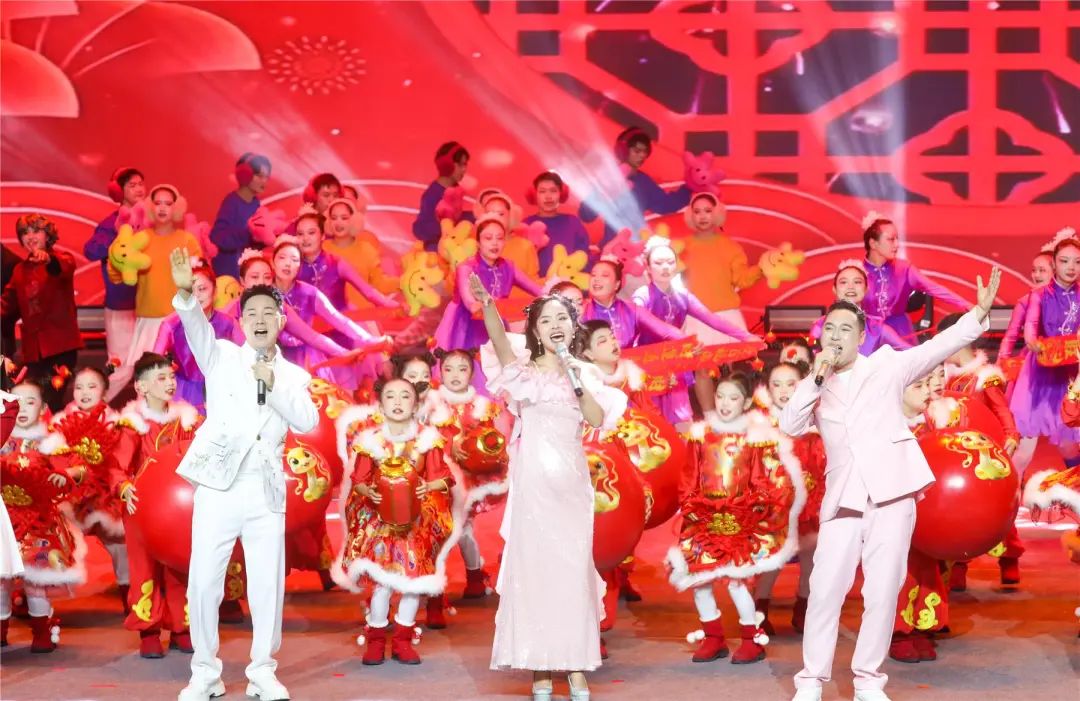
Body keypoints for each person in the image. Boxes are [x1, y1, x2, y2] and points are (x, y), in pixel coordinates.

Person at [782, 266, 1000, 701]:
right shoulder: (816, 383)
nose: (836, 336)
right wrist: (815, 377)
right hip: (844, 497)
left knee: (882, 592)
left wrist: (977, 314)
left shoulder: (886, 366)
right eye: (830, 329)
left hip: (892, 494)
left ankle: (868, 680)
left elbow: (938, 347)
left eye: (846, 329)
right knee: (825, 590)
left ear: (861, 337)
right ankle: (811, 680)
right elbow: (790, 424)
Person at [168, 249, 320, 701]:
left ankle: (263, 671)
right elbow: (196, 328)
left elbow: (307, 421)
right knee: (204, 582)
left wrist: (272, 385)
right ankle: (204, 672)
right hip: (219, 485)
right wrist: (185, 293)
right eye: (251, 313)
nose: (259, 320)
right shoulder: (222, 356)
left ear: (281, 321)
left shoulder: (292, 375)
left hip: (264, 489)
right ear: (240, 320)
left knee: (267, 585)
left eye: (268, 313)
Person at [477, 275, 627, 701]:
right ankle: (539, 667)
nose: (555, 325)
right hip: (533, 488)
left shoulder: (584, 372)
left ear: (572, 326)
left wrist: (576, 379)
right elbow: (499, 342)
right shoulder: (522, 373)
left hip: (571, 488)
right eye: (546, 320)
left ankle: (576, 666)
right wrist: (487, 305)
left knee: (572, 572)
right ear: (535, 330)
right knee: (535, 572)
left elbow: (595, 420)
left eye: (562, 318)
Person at [668, 371, 803, 664]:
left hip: (740, 521)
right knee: (699, 579)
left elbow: (765, 480)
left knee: (736, 581)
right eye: (720, 396)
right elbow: (689, 477)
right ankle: (713, 637)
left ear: (746, 403)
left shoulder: (756, 439)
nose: (725, 403)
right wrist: (693, 508)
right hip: (703, 520)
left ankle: (751, 639)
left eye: (733, 398)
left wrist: (751, 512)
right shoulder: (700, 436)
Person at [334, 376, 457, 666]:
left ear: (415, 406)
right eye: (391, 396)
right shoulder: (371, 442)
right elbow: (358, 480)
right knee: (383, 583)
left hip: (416, 523)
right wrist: (369, 491)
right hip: (381, 524)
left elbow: (444, 478)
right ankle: (376, 640)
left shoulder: (427, 440)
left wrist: (429, 486)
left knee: (413, 583)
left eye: (405, 396)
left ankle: (402, 640)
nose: (398, 402)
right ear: (380, 405)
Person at [112, 353, 202, 658]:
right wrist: (124, 487)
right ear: (141, 386)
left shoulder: (187, 421)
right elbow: (117, 466)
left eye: (171, 377)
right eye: (161, 378)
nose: (170, 383)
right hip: (142, 510)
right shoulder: (133, 424)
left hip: (180, 510)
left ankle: (182, 628)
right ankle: (148, 631)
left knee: (180, 567)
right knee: (144, 569)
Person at [632, 237, 760, 426]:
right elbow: (651, 323)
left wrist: (746, 336)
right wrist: (685, 342)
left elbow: (712, 319)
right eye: (658, 263)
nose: (665, 267)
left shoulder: (682, 296)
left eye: (670, 262)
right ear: (648, 268)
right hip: (648, 365)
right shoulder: (642, 296)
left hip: (674, 365)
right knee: (649, 424)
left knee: (682, 422)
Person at [0, 380, 84, 651]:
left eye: (31, 402)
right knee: (1, 581)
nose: (23, 408)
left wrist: (64, 475)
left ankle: (41, 632)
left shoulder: (50, 443)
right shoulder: (2, 439)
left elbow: (79, 468)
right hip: (5, 520)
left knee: (36, 581)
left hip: (38, 523)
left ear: (44, 407)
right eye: (17, 403)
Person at [110, 184, 202, 399]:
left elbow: (201, 277)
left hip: (179, 321)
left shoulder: (187, 240)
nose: (162, 208)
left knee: (179, 375)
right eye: (157, 203)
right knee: (147, 378)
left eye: (168, 203)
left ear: (177, 208)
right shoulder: (141, 239)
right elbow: (119, 272)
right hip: (149, 320)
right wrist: (115, 263)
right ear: (150, 207)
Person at [49, 366, 129, 613]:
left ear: (104, 392)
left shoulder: (116, 424)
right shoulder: (59, 424)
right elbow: (54, 462)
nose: (84, 392)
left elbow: (118, 464)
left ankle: (130, 592)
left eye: (92, 386)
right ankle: (37, 598)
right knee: (49, 535)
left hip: (104, 491)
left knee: (119, 542)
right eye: (79, 387)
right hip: (70, 493)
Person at [754, 362, 826, 635]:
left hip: (811, 502)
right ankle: (759, 611)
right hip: (774, 505)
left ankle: (803, 609)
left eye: (791, 384)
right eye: (777, 384)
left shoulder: (815, 421)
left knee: (811, 559)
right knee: (772, 560)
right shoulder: (760, 427)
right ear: (767, 388)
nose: (784, 390)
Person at [1, 214, 83, 411]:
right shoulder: (20, 271)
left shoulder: (62, 259)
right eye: (25, 233)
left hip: (60, 349)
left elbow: (62, 268)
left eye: (36, 231)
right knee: (33, 403)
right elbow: (5, 304)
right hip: (33, 354)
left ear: (47, 235)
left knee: (51, 400)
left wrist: (48, 258)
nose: (30, 237)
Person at [1010, 234, 1080, 463]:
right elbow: (1030, 328)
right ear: (1054, 264)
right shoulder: (1039, 295)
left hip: (1072, 373)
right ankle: (1014, 484)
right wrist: (1034, 343)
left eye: (1077, 262)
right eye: (1064, 261)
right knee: (1025, 445)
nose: (1071, 267)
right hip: (1041, 372)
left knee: (1070, 442)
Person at [860, 213, 969, 345]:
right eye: (891, 239)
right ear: (873, 243)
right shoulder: (857, 272)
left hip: (901, 334)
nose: (896, 244)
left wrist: (966, 305)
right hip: (868, 336)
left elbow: (935, 288)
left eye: (897, 239)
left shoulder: (904, 269)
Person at [153, 258, 243, 414]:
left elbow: (247, 356)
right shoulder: (171, 324)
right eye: (190, 291)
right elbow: (152, 364)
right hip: (182, 393)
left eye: (202, 289)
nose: (196, 296)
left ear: (215, 291)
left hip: (221, 389)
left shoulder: (228, 322)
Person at [580, 127, 691, 248]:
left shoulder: (643, 181)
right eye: (637, 151)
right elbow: (586, 216)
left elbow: (665, 204)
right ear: (622, 150)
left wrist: (690, 187)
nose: (642, 155)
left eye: (645, 151)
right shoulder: (607, 177)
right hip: (611, 251)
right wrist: (604, 193)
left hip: (636, 249)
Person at [84, 167, 145, 378]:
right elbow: (90, 251)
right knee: (121, 369)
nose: (138, 189)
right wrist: (119, 239)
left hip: (150, 306)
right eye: (132, 185)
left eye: (141, 184)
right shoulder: (112, 224)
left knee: (151, 367)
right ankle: (95, 398)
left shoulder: (152, 222)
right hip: (121, 306)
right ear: (119, 191)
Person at [681, 193, 762, 340]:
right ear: (691, 215)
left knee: (729, 355)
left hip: (726, 317)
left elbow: (741, 279)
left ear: (717, 213)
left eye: (708, 211)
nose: (702, 216)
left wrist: (762, 269)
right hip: (694, 319)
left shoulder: (731, 247)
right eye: (697, 212)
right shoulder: (681, 247)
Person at [810, 260, 911, 355]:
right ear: (834, 289)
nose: (850, 287)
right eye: (843, 282)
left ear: (866, 289)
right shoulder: (820, 325)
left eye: (857, 282)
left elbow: (911, 353)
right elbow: (810, 359)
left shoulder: (876, 328)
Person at [581, 256, 684, 348]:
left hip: (628, 362)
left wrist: (689, 342)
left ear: (617, 284)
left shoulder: (632, 310)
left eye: (604, 275)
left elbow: (667, 331)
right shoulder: (581, 311)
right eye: (593, 275)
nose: (596, 279)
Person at [209, 153, 271, 278]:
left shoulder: (256, 204)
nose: (264, 181)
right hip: (229, 274)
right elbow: (218, 237)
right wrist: (249, 232)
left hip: (247, 273)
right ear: (245, 175)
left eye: (266, 177)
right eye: (260, 176)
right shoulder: (231, 202)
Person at [523, 171, 591, 274]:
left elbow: (583, 256)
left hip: (568, 281)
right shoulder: (526, 225)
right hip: (535, 282)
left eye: (553, 191)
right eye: (542, 191)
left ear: (561, 194)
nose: (548, 196)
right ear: (535, 195)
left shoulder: (573, 222)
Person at [413, 141, 471, 252]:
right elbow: (422, 229)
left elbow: (456, 217)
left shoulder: (455, 190)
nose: (464, 169)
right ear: (447, 165)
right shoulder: (432, 195)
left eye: (465, 165)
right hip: (437, 253)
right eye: (460, 165)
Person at [999, 247, 1053, 360]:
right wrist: (1001, 363)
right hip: (1035, 358)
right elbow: (1010, 337)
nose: (1036, 275)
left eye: (1042, 270)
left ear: (1056, 272)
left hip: (1067, 356)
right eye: (1034, 270)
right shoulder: (1024, 302)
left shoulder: (1070, 298)